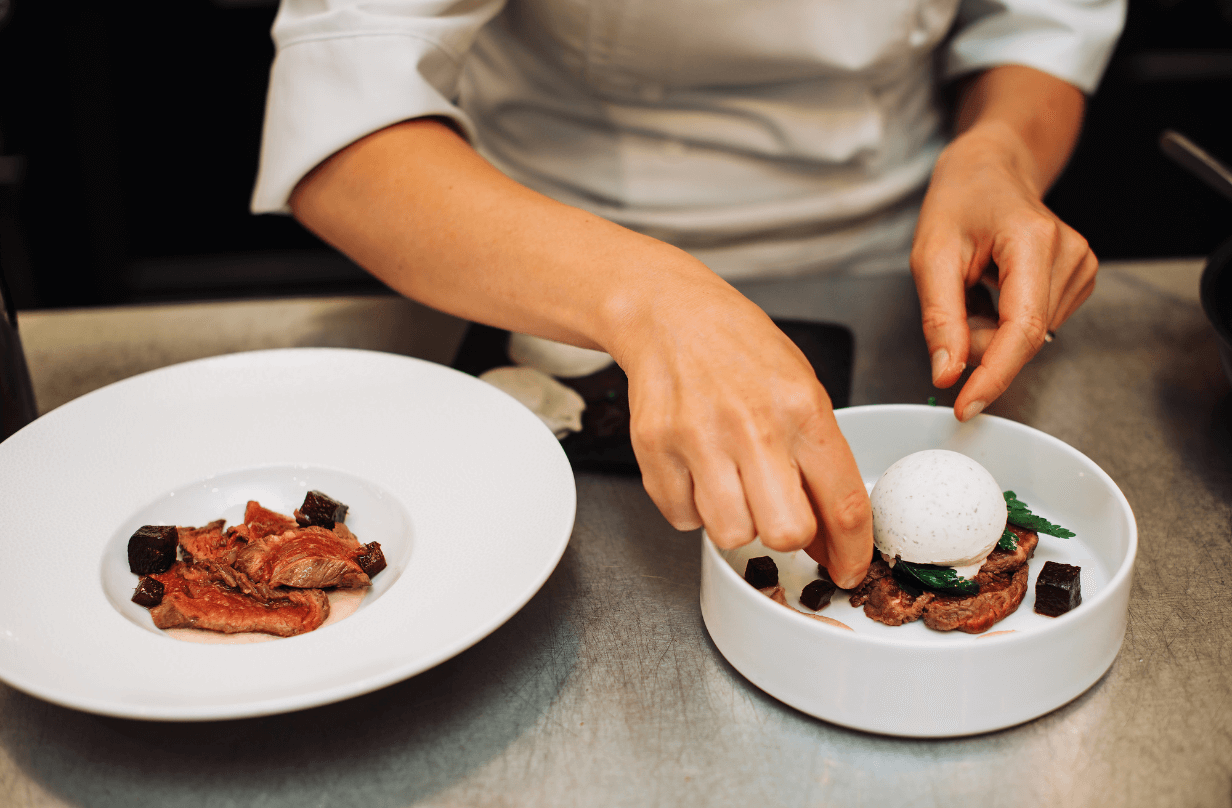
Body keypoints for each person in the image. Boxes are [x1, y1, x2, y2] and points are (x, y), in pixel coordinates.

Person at [251, 0, 1124, 589]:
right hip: (537, 241)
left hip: (885, 244)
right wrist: (646, 296)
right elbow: (345, 113)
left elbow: (1042, 22)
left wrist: (998, 151)